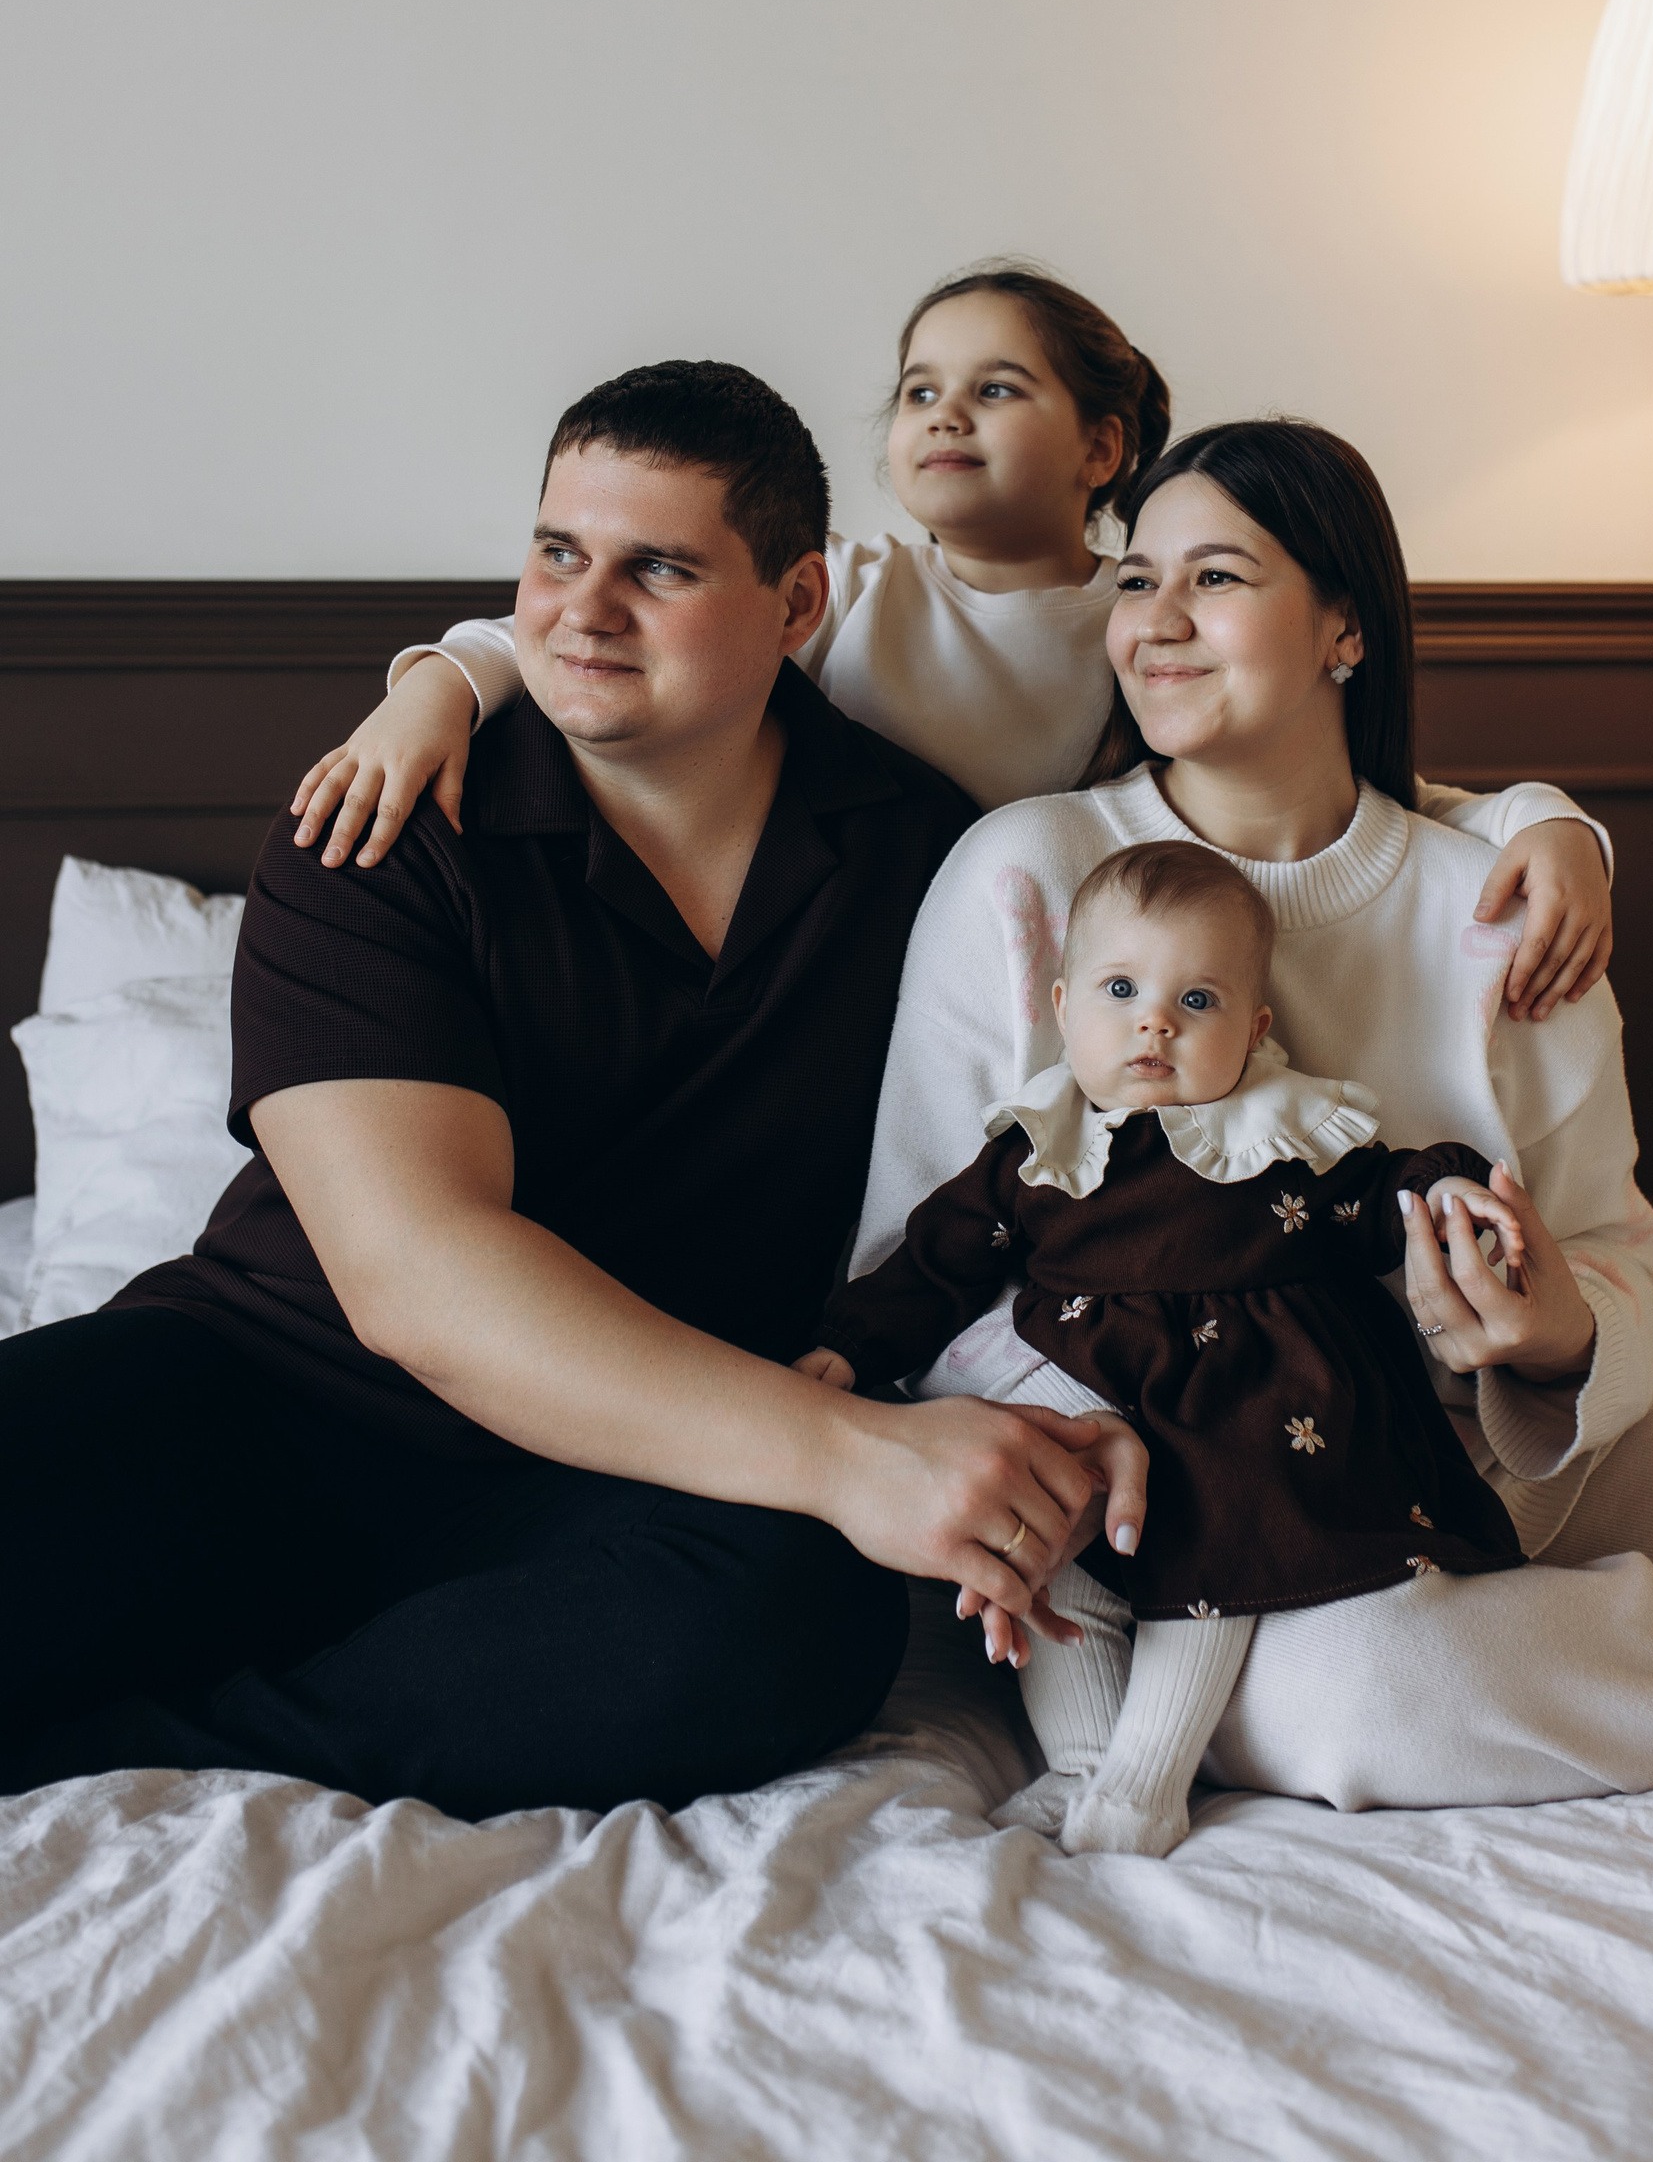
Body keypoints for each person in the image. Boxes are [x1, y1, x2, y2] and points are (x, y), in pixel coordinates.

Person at [0, 363, 1147, 1820]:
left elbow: (1055, 1121)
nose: (582, 611)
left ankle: (151, 1746)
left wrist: (1079, 1399)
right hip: (266, 1398)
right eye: (557, 553)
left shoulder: (926, 859)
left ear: (798, 604)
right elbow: (417, 1280)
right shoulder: (384, 821)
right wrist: (849, 1456)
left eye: (657, 568)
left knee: (802, 1613)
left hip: (640, 1464)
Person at [852, 416, 1653, 1813]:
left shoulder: (1503, 898)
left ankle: (1568, 1615)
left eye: (1215, 579)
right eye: (1137, 580)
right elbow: (916, 1265)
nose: (1155, 621)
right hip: (1220, 1518)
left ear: (1344, 629)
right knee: (1389, 1700)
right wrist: (1094, 1429)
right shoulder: (1030, 872)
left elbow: (1616, 1254)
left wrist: (1556, 1335)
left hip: (1531, 1454)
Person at [282, 264, 1617, 1024]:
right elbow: (588, 632)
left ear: (1102, 447)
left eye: (997, 388)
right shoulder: (850, 591)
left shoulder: (1143, 625)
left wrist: (1548, 823)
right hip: (854, 977)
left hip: (1074, 983)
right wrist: (435, 693)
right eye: (920, 387)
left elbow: (1341, 786)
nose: (944, 413)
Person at [798, 839, 1526, 1856]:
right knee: (1055, 1559)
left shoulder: (1283, 1138)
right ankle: (1081, 1764)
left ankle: (1147, 1780)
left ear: (1254, 1030)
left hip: (1258, 1415)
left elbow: (1383, 1197)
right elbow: (938, 1261)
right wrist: (845, 1349)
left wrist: (1447, 1189)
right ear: (1062, 1009)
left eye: (1197, 1001)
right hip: (1093, 1409)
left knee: (1211, 1527)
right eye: (1122, 991)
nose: (1155, 1022)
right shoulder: (1038, 1150)